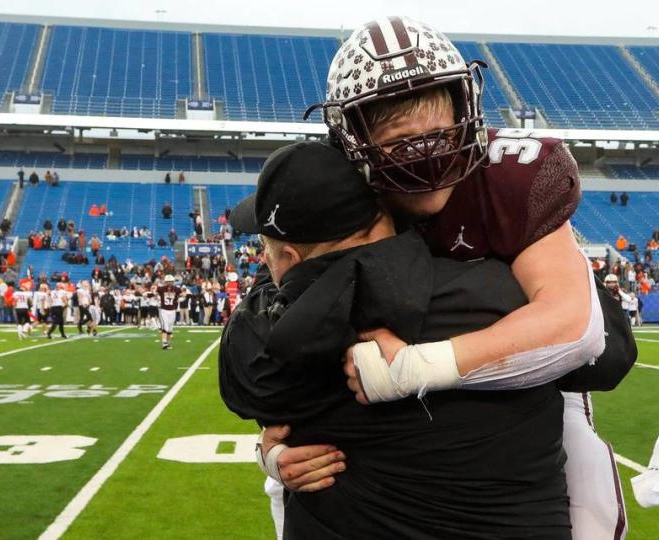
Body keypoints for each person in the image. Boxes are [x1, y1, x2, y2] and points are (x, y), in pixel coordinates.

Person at [260, 20, 636, 539]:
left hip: (522, 409)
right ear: (351, 137)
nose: (425, 151)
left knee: (589, 498)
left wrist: (413, 367)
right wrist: (272, 441)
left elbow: (576, 330)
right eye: (398, 138)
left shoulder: (510, 173)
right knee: (290, 485)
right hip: (381, 432)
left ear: (466, 106)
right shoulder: (337, 188)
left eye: (436, 130)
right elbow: (284, 313)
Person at [221, 142, 572, 538]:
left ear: (288, 258)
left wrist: (269, 453)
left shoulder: (285, 348)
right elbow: (604, 348)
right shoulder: (505, 294)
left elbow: (249, 375)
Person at [157, 275, 180, 349]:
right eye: (168, 281)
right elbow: (155, 291)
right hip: (164, 310)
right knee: (165, 327)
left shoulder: (176, 289)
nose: (169, 283)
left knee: (170, 328)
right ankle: (164, 343)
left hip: (172, 310)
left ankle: (168, 343)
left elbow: (181, 294)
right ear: (166, 282)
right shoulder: (161, 289)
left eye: (171, 281)